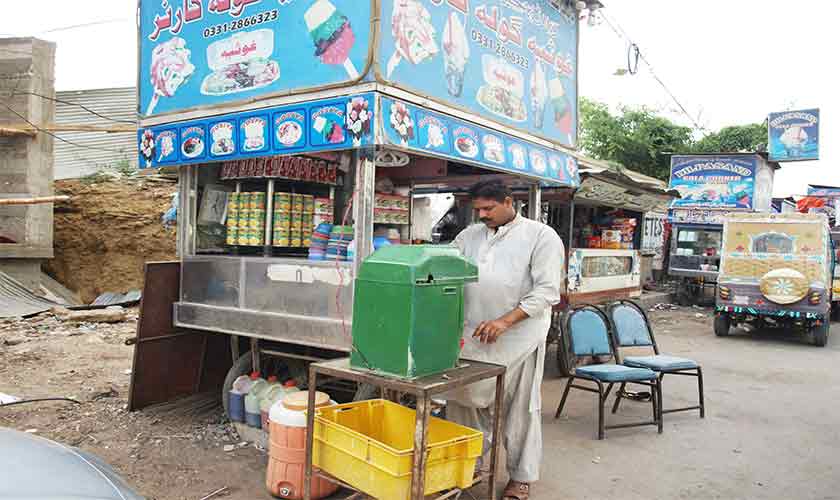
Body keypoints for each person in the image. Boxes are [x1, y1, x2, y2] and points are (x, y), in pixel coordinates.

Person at [446, 179, 564, 500]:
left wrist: (505, 321)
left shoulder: (541, 236)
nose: (482, 215)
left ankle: (520, 477)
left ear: (509, 202)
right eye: (478, 210)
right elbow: (445, 267)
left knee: (520, 407)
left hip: (519, 337)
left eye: (489, 208)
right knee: (464, 403)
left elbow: (547, 291)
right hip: (473, 335)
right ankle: (469, 464)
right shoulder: (469, 236)